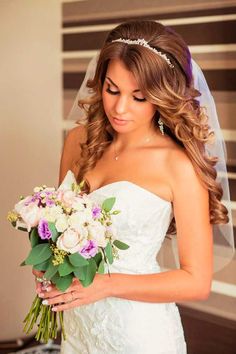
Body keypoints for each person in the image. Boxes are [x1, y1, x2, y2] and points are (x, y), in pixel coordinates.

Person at [34, 20, 233, 353]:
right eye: (112, 89)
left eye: (138, 97)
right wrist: (46, 267)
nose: (120, 108)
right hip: (80, 324)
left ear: (161, 96)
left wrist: (106, 286)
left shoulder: (178, 166)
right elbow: (55, 228)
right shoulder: (78, 141)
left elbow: (196, 282)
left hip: (137, 333)